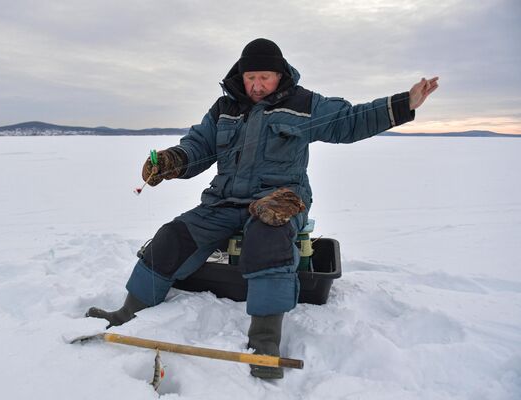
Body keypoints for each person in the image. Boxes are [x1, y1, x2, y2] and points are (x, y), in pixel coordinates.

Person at [86, 38, 439, 379]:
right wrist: (172, 160)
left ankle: (265, 343)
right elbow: (197, 145)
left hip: (280, 200)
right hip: (224, 201)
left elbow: (349, 120)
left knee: (268, 239)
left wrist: (403, 103)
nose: (256, 86)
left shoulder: (304, 104)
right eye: (250, 78)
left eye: (263, 78)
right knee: (172, 236)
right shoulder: (224, 108)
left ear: (280, 74)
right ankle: (127, 312)